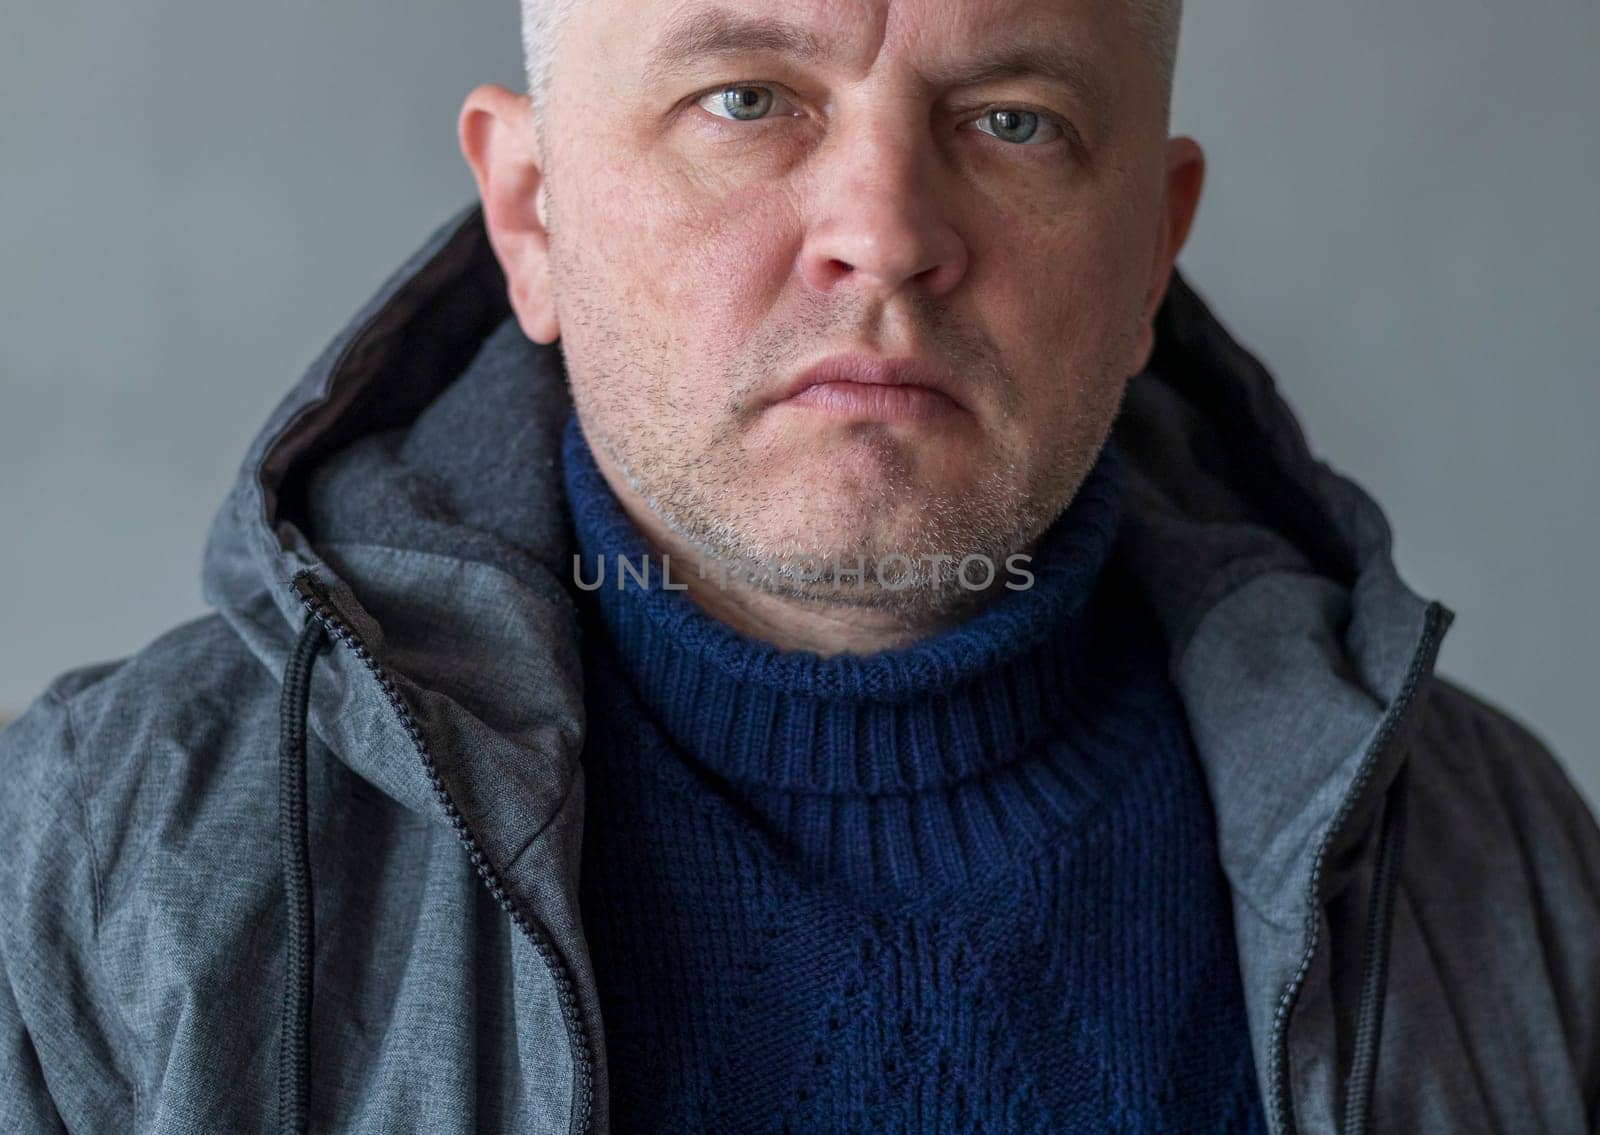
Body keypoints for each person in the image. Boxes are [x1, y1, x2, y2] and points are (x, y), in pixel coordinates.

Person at [2, 0, 1596, 1131]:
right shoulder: (90, 878)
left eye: (1014, 120)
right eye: (748, 97)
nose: (886, 228)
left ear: (1150, 254)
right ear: (531, 213)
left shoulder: (1503, 874)